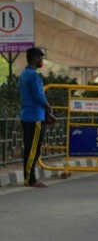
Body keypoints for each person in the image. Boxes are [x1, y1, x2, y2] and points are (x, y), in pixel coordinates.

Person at [19, 47, 52, 188]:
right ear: (35, 58)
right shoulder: (33, 76)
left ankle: (29, 177)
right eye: (41, 58)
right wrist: (48, 107)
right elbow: (39, 95)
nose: (42, 61)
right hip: (35, 117)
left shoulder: (24, 74)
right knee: (33, 149)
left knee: (30, 148)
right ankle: (30, 179)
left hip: (27, 115)